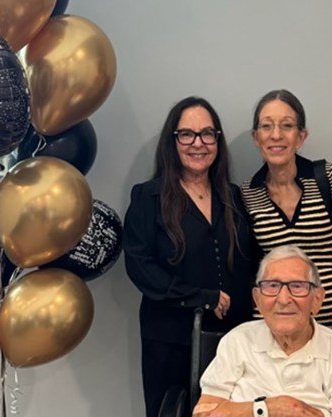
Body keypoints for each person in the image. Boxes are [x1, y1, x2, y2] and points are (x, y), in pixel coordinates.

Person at [123, 96, 260, 417]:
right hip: (170, 341)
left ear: (218, 140)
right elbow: (140, 267)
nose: (198, 143)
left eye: (207, 134)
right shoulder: (148, 196)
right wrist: (200, 297)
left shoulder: (234, 197)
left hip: (234, 341)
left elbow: (251, 261)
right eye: (187, 134)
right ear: (173, 142)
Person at [242, 89, 332, 328]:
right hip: (273, 325)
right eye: (267, 127)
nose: (276, 135)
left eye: (287, 126)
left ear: (301, 137)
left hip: (331, 320)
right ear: (256, 137)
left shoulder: (326, 177)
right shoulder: (249, 192)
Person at [194, 245, 332, 417]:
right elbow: (203, 413)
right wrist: (266, 409)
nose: (283, 299)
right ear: (258, 299)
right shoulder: (237, 341)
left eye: (297, 286)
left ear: (317, 299)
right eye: (272, 286)